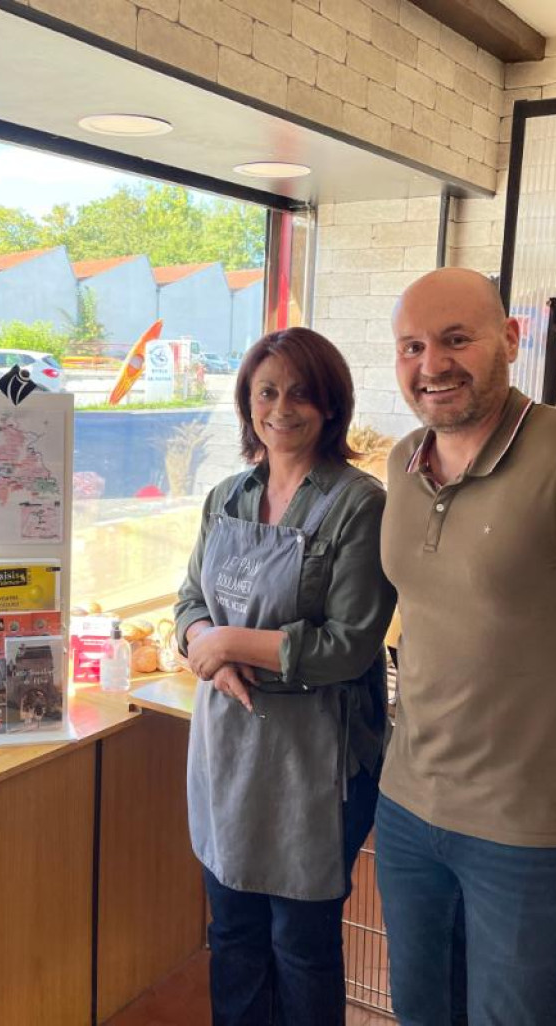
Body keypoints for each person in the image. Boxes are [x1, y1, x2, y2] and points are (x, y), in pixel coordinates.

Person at [175, 326, 396, 1026]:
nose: (281, 407)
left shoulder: (360, 504)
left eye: (301, 392)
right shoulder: (226, 498)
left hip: (315, 764)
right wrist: (202, 638)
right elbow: (187, 602)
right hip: (226, 754)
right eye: (265, 391)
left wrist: (233, 640)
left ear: (330, 405)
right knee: (232, 934)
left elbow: (350, 645)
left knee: (300, 945)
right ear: (247, 404)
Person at [377, 267, 556, 1026]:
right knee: (421, 1011)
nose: (433, 365)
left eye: (457, 339)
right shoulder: (402, 462)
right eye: (412, 346)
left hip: (527, 829)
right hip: (408, 805)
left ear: (512, 341)